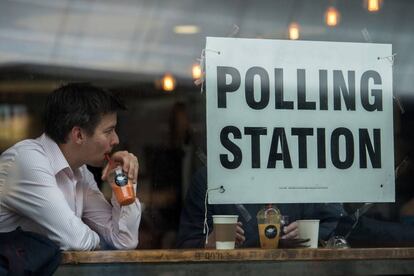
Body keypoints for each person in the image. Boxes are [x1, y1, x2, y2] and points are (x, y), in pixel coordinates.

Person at [0, 83, 141, 251]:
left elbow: (124, 241)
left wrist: (125, 181)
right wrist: (101, 243)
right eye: (108, 131)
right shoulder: (27, 160)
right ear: (78, 135)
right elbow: (76, 241)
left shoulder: (80, 171)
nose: (116, 140)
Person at [177, 167, 344, 248]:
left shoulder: (305, 175)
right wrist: (209, 243)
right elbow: (184, 246)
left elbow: (340, 230)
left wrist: (313, 235)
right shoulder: (211, 180)